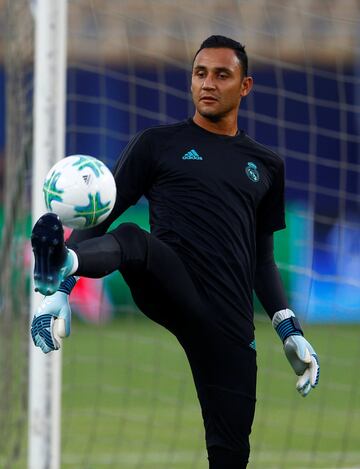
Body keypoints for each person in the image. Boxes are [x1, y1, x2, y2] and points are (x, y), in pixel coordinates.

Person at [30, 35, 320, 469]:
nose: (208, 83)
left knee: (231, 454)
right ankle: (62, 264)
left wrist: (289, 329)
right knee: (133, 237)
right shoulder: (156, 145)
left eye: (222, 75)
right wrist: (62, 287)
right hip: (171, 280)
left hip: (228, 319)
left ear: (245, 86)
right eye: (200, 73)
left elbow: (263, 259)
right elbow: (100, 221)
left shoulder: (267, 165)